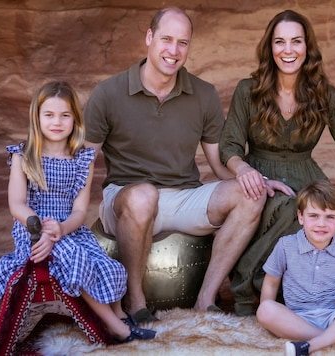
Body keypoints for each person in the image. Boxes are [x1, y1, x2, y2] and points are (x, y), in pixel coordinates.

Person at [83, 7, 266, 323]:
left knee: (252, 195)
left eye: (183, 42)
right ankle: (136, 304)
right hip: (125, 200)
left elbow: (219, 164)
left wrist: (248, 176)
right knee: (143, 197)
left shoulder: (203, 94)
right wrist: (69, 218)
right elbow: (82, 165)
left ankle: (205, 299)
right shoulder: (108, 93)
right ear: (150, 38)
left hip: (182, 198)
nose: (174, 50)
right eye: (166, 39)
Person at [220, 9, 335, 315]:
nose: (288, 50)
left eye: (296, 41)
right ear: (269, 48)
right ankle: (246, 287)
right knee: (292, 208)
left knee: (329, 215)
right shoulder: (248, 90)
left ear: (307, 48)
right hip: (261, 180)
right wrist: (243, 169)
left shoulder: (324, 94)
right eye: (279, 42)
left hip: (308, 176)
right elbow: (229, 145)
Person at [0, 81, 155, 343]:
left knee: (107, 263)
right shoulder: (24, 156)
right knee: (71, 255)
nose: (57, 122)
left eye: (65, 115)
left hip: (70, 230)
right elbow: (17, 204)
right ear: (37, 117)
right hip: (32, 232)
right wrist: (38, 226)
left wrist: (62, 229)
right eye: (49, 115)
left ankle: (119, 315)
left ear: (75, 119)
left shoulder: (82, 159)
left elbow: (79, 210)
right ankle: (116, 329)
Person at [256, 180, 335, 356]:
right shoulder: (286, 246)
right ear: (300, 217)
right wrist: (267, 315)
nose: (322, 224)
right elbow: (272, 282)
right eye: (314, 216)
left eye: (330, 217)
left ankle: (310, 346)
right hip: (297, 318)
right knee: (265, 310)